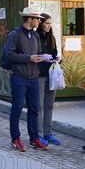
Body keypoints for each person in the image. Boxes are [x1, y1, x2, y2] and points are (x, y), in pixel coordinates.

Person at [6, 7, 49, 151]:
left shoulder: (35, 36)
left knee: (34, 109)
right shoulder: (15, 34)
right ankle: (15, 139)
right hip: (19, 77)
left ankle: (34, 138)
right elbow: (9, 56)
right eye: (37, 19)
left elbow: (36, 54)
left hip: (34, 77)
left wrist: (48, 58)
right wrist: (28, 58)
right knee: (17, 109)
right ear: (29, 19)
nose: (39, 21)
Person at [36, 13, 61, 146]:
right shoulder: (35, 37)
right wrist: (43, 57)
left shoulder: (52, 38)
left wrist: (57, 59)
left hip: (51, 74)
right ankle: (39, 135)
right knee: (39, 106)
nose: (49, 26)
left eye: (50, 24)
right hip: (39, 74)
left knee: (49, 105)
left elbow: (55, 53)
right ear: (40, 23)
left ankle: (48, 133)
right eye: (46, 23)